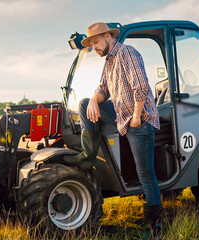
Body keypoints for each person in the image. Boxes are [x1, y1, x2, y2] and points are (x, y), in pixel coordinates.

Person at [63, 22, 162, 237]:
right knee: (84, 103)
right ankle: (88, 155)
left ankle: (154, 228)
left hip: (139, 119)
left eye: (96, 42)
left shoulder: (128, 53)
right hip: (121, 114)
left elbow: (141, 86)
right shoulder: (109, 62)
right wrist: (93, 101)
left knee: (145, 173)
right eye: (92, 44)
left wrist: (136, 116)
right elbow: (103, 89)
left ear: (109, 36)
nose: (95, 47)